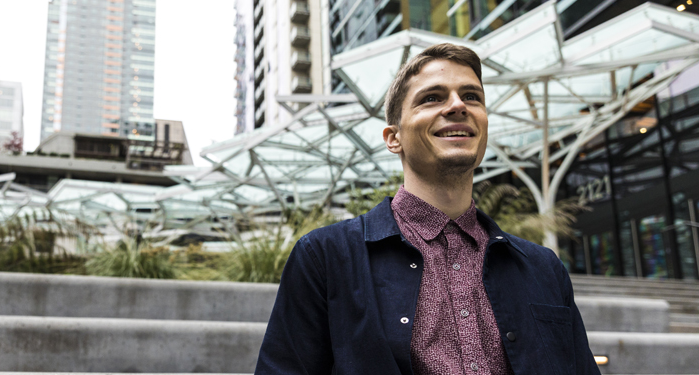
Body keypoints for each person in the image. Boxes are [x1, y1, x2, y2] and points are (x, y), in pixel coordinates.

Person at [254, 43, 600, 375]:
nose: (457, 106)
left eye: (471, 97)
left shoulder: (544, 268)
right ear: (394, 137)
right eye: (432, 98)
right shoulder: (324, 257)